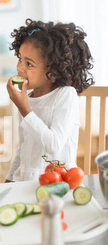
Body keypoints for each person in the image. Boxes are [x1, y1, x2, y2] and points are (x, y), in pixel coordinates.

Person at [5, 18, 94, 182]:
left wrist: (25, 110)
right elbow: (23, 147)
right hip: (24, 180)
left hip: (57, 181)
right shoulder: (27, 98)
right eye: (20, 59)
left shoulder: (65, 95)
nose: (19, 68)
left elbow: (53, 145)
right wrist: (9, 179)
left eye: (29, 64)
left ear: (54, 71)